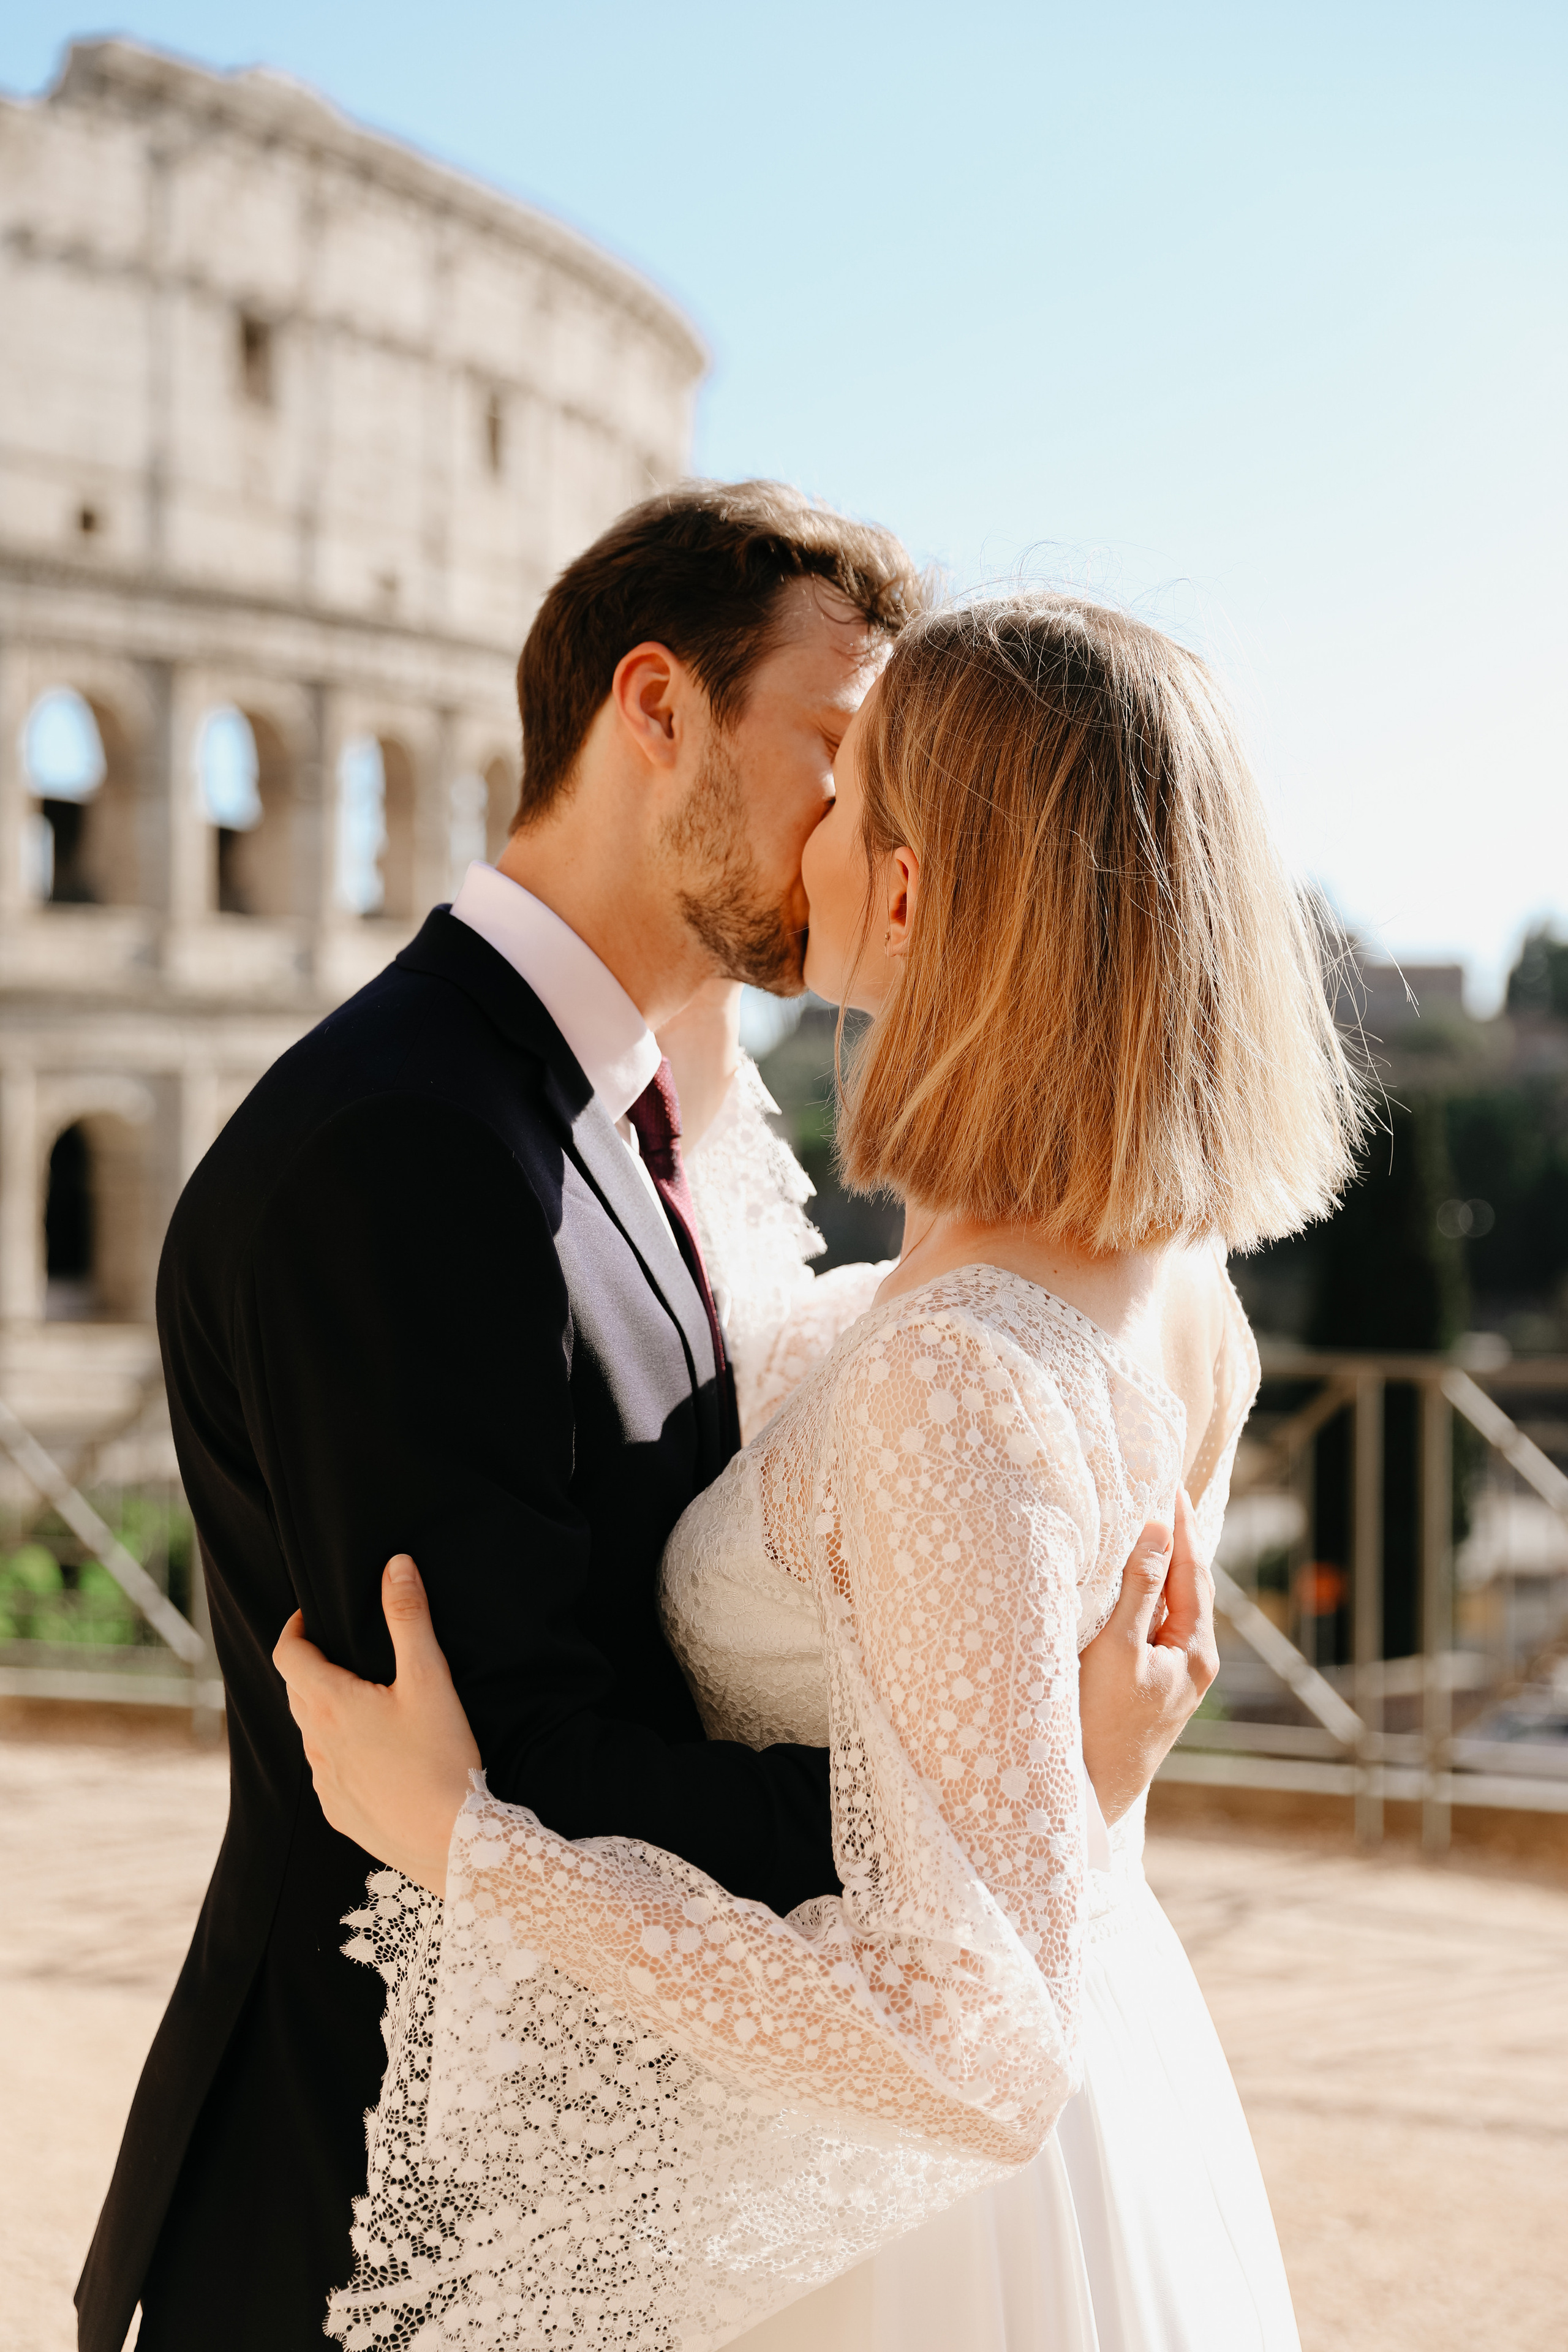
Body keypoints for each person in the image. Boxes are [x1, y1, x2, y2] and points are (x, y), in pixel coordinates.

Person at [77, 488, 1212, 2352]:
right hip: (368, 2212)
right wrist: (1025, 1799)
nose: (858, 827)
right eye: (835, 755)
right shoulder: (410, 1150)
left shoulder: (645, 1118)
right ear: (655, 708)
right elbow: (495, 1750)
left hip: (648, 2183)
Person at [276, 591, 1363, 2350]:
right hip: (1110, 2110)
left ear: (917, 888)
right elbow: (1017, 1772)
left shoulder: (950, 1373)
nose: (814, 824)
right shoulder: (1175, 1296)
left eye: (850, 789)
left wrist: (465, 1845)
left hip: (926, 2234)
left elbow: (966, 2035)